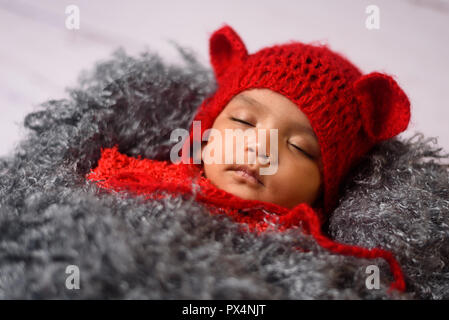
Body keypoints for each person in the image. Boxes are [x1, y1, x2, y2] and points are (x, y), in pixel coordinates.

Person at [86, 24, 411, 293]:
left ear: (323, 190)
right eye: (242, 121)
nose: (260, 147)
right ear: (207, 132)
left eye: (298, 147)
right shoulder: (143, 179)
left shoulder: (307, 255)